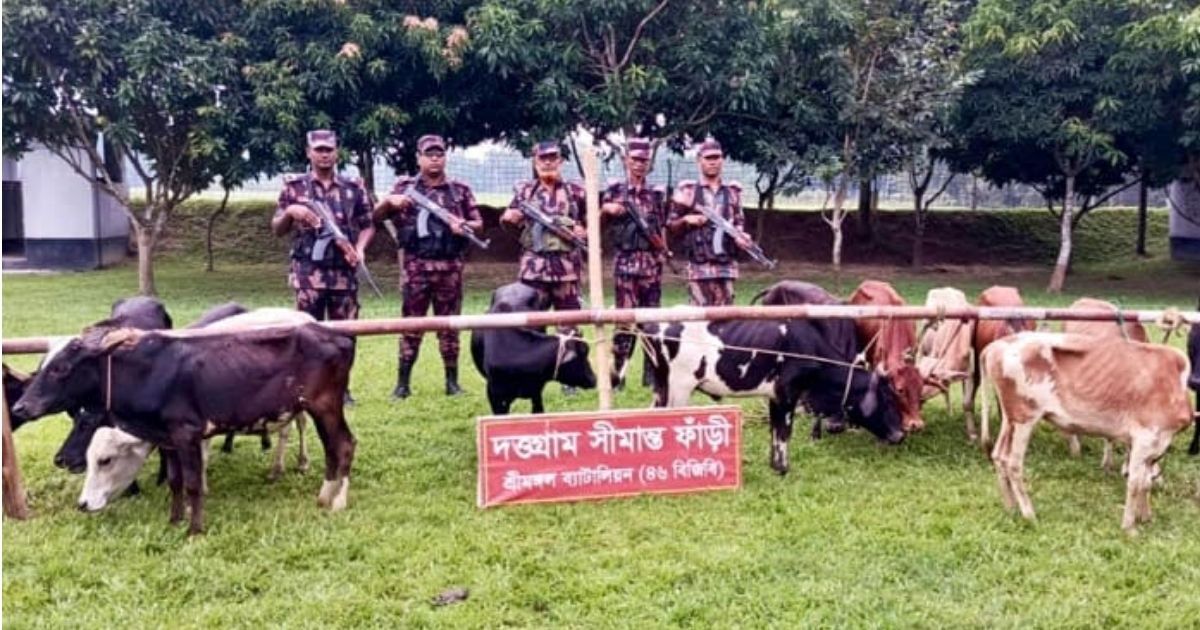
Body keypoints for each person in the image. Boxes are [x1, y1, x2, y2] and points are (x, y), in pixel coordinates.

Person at [374, 134, 483, 399]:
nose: (434, 159)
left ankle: (452, 383)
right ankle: (402, 384)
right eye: (429, 154)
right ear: (418, 158)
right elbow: (375, 217)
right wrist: (390, 202)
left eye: (439, 154)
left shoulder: (459, 190)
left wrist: (464, 226)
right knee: (411, 326)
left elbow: (478, 223)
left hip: (450, 268)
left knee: (449, 327)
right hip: (416, 268)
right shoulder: (404, 186)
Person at [271, 129, 375, 403]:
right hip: (308, 275)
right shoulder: (294, 187)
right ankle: (307, 389)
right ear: (309, 153)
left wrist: (360, 249)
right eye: (319, 149)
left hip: (344, 274)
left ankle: (342, 389)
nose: (324, 154)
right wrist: (291, 212)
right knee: (306, 334)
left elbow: (368, 225)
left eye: (329, 149)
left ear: (337, 152)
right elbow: (277, 228)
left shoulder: (353, 187)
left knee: (346, 335)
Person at [500, 141, 588, 392]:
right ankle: (531, 375)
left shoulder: (576, 192)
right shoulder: (525, 192)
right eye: (543, 158)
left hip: (566, 270)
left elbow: (592, 223)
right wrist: (509, 219)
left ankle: (569, 378)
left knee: (569, 325)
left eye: (553, 158)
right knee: (530, 326)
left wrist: (583, 230)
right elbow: (509, 224)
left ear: (561, 161)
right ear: (535, 161)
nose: (548, 163)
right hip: (533, 271)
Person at [600, 138, 667, 388]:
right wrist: (607, 209)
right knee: (624, 322)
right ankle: (618, 374)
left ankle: (651, 375)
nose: (639, 164)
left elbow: (662, 227)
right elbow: (598, 222)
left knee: (651, 323)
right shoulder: (615, 190)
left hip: (651, 266)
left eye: (644, 160)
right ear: (627, 160)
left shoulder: (656, 194)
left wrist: (663, 251)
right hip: (625, 266)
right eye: (635, 159)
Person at [667, 138, 751, 306]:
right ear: (699, 160)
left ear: (722, 159)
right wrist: (686, 220)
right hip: (699, 268)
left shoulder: (732, 192)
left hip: (725, 268)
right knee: (699, 318)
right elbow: (670, 226)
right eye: (708, 158)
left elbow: (738, 222)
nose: (713, 162)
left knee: (726, 318)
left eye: (716, 157)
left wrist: (742, 237)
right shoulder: (688, 191)